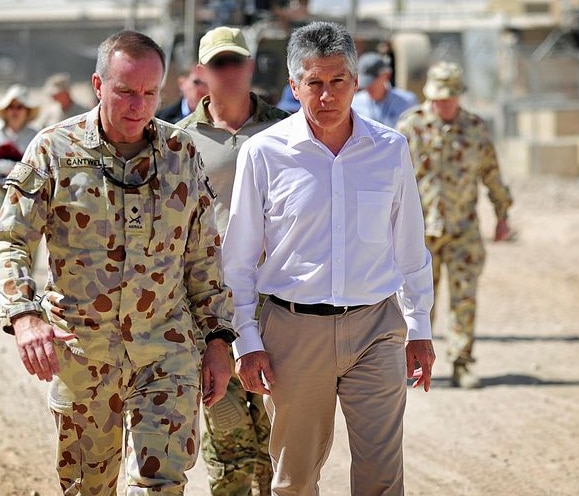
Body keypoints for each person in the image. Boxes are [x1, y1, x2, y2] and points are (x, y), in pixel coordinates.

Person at [0, 30, 235, 494]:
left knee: (160, 485)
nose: (138, 106)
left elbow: (203, 257)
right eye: (125, 91)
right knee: (87, 486)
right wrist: (24, 316)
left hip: (166, 350)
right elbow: (9, 240)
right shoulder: (55, 151)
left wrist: (219, 339)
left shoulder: (180, 155)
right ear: (98, 85)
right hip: (86, 355)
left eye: (149, 93)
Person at [222, 21, 436, 495]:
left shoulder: (390, 149)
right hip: (293, 334)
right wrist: (247, 340)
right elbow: (237, 260)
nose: (327, 95)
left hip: (377, 329)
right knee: (294, 479)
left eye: (338, 80)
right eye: (314, 83)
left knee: (382, 477)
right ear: (293, 87)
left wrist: (419, 328)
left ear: (356, 82)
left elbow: (409, 247)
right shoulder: (263, 153)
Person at [177, 26, 289, 495]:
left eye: (236, 62)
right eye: (218, 64)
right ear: (202, 73)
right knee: (225, 429)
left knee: (279, 429)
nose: (230, 72)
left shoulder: (287, 129)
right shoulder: (178, 140)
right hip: (210, 299)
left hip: (277, 297)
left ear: (250, 65)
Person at [397, 61, 514, 389]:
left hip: (463, 230)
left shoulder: (475, 128)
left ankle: (462, 363)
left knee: (464, 299)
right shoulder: (411, 127)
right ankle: (417, 364)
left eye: (447, 98)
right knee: (419, 301)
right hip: (420, 234)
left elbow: (491, 174)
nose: (441, 104)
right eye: (436, 98)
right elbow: (390, 181)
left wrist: (502, 214)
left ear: (458, 97)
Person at [0, 84, 38, 230]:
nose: (15, 111)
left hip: (26, 197)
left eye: (19, 107)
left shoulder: (35, 135)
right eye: (11, 107)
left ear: (27, 111)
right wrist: (4, 166)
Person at [351, 52, 417, 128]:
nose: (368, 87)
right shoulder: (354, 103)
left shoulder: (407, 102)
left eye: (371, 81)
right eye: (365, 82)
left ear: (386, 75)